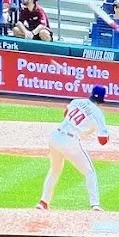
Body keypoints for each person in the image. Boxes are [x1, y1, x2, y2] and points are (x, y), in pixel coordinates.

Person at [36, 84, 108, 212]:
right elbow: (103, 141)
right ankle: (95, 204)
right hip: (70, 142)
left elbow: (65, 113)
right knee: (89, 172)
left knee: (54, 171)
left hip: (55, 137)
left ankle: (43, 202)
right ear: (102, 99)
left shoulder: (77, 101)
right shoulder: (98, 114)